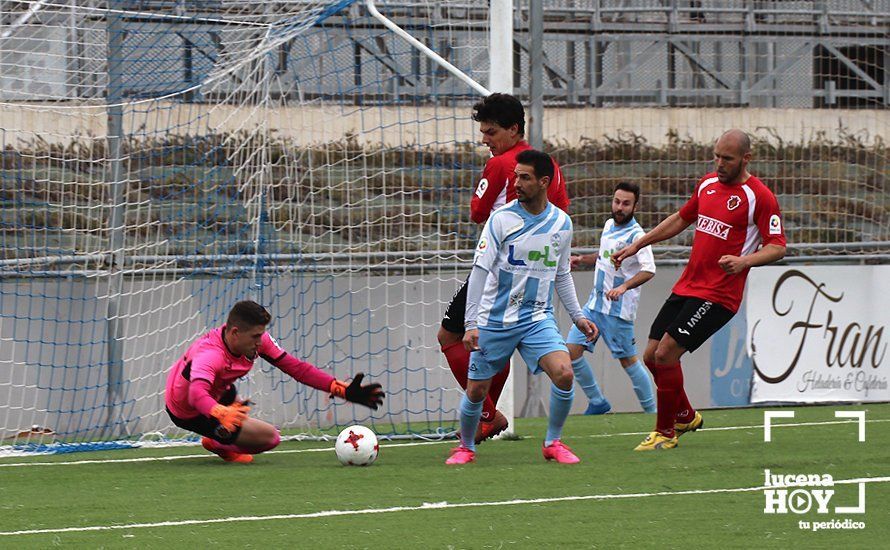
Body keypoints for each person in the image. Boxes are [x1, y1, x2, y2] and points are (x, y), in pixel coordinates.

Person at [612, 129, 786, 451]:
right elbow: (681, 219)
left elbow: (777, 246)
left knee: (666, 355)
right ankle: (686, 415)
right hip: (688, 285)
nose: (719, 163)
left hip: (719, 294)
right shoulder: (707, 184)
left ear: (746, 159)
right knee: (651, 356)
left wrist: (745, 261)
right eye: (717, 156)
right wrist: (639, 243)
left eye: (727, 158)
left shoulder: (759, 196)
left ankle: (665, 433)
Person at [446, 149, 597, 465]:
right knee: (476, 391)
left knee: (565, 373)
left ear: (544, 182)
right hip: (495, 319)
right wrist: (471, 322)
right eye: (515, 176)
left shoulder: (561, 224)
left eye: (524, 177)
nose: (516, 182)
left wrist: (578, 317)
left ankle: (553, 442)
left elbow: (562, 274)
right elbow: (480, 270)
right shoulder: (501, 219)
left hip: (535, 318)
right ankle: (466, 448)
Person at [438, 93, 570, 444]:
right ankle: (488, 417)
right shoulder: (545, 167)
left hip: (497, 269)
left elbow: (478, 213)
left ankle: (487, 414)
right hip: (535, 275)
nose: (485, 140)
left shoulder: (501, 166)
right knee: (499, 345)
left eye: (491, 132)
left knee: (449, 337)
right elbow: (562, 212)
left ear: (513, 130)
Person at [165, 300, 385, 463]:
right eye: (255, 336)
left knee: (239, 413)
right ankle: (218, 441)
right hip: (188, 408)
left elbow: (296, 368)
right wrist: (221, 413)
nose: (260, 342)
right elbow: (196, 395)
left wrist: (340, 389)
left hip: (220, 391)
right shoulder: (210, 355)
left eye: (262, 334)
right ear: (234, 333)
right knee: (269, 439)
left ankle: (220, 437)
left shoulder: (256, 342)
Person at [566, 182, 656, 414]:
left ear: (635, 206)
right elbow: (604, 255)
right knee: (571, 350)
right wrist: (582, 259)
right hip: (594, 305)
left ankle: (652, 413)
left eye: (626, 203)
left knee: (628, 361)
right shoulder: (608, 225)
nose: (619, 207)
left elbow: (649, 269)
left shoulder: (637, 236)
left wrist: (624, 286)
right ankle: (597, 402)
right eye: (617, 201)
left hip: (618, 310)